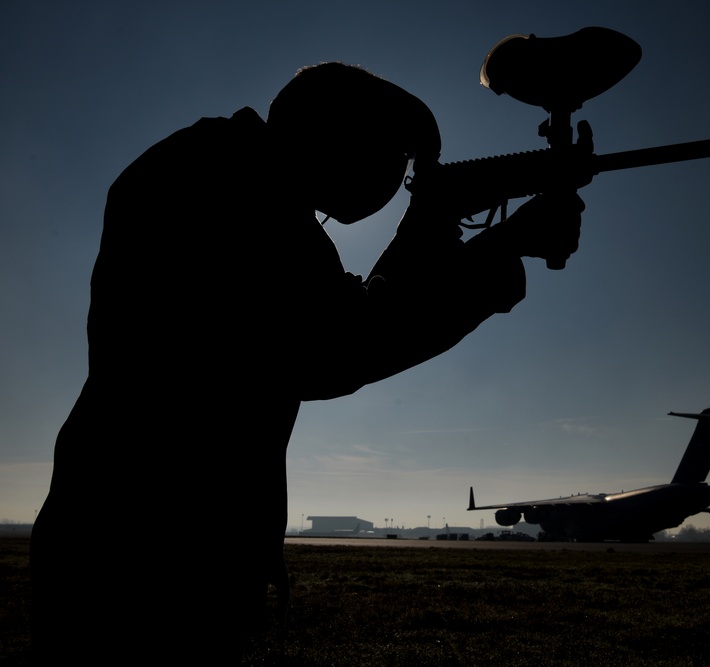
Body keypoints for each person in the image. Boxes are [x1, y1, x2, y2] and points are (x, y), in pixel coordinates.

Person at [30, 62, 583, 664]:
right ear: (343, 138)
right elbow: (337, 348)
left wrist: (433, 224)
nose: (396, 180)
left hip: (139, 535)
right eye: (396, 161)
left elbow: (343, 316)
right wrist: (496, 255)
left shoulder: (230, 171)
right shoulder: (231, 185)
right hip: (149, 552)